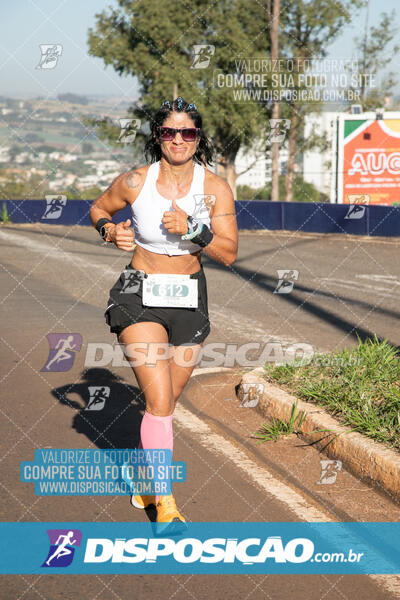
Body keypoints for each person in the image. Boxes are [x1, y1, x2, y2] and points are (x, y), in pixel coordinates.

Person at [90, 96, 238, 531]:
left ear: (197, 139)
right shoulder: (136, 181)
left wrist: (194, 229)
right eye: (169, 132)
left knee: (167, 401)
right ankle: (167, 503)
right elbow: (99, 208)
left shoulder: (214, 189)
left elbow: (228, 253)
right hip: (139, 293)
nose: (178, 140)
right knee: (157, 400)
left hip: (190, 295)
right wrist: (108, 230)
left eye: (187, 132)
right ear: (158, 137)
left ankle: (148, 477)